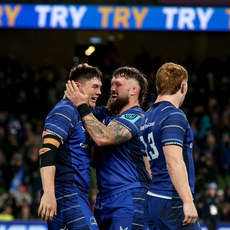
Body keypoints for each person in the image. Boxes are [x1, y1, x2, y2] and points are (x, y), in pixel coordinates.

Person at [65, 66, 150, 230]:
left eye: (118, 84)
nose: (112, 88)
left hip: (129, 197)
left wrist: (82, 106)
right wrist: (79, 78)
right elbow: (76, 101)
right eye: (111, 84)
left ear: (134, 90)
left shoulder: (137, 116)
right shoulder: (105, 114)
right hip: (103, 200)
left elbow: (105, 137)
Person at [38, 64, 102, 230]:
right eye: (95, 87)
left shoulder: (84, 113)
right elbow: (47, 152)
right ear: (78, 87)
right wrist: (49, 193)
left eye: (100, 87)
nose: (99, 92)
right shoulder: (65, 111)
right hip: (65, 193)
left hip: (76, 193)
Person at [139, 62, 200, 230]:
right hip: (172, 200)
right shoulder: (174, 115)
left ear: (158, 86)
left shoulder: (146, 117)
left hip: (153, 198)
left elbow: (148, 167)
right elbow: (173, 161)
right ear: (183, 86)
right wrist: (187, 201)